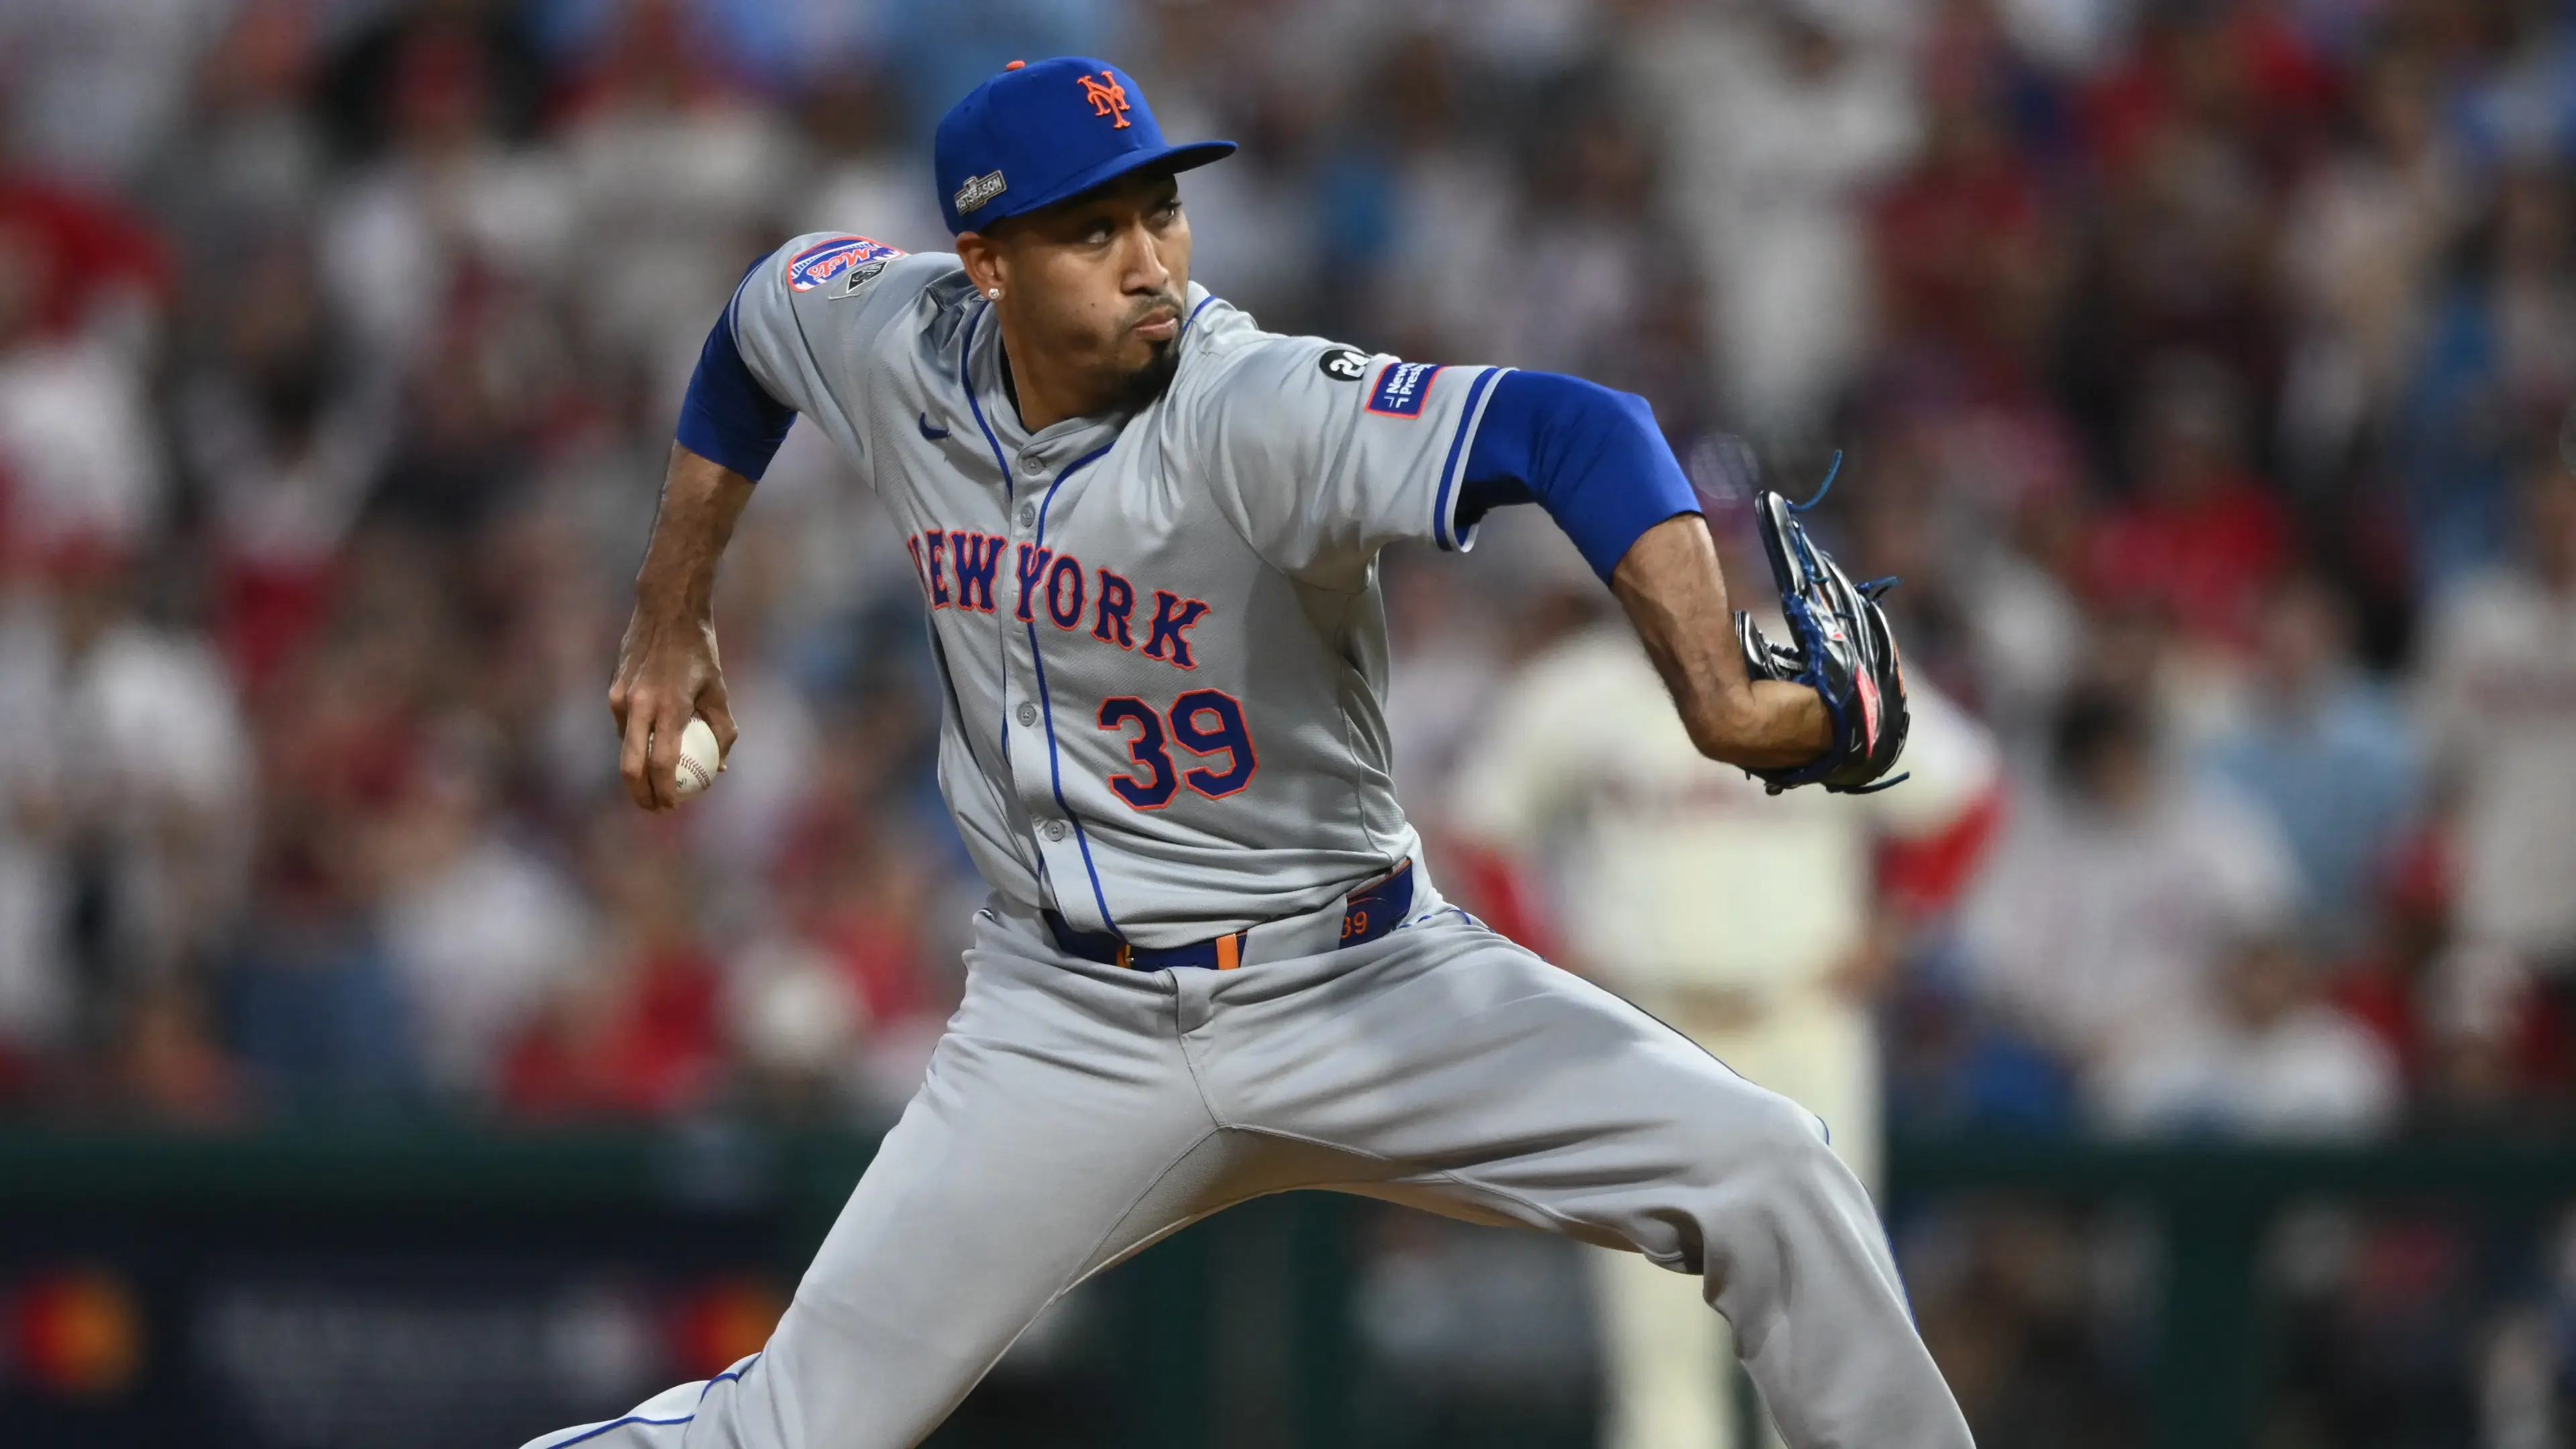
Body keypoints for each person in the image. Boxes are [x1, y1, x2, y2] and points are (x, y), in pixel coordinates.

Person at [528, 58, 1968, 1449]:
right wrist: (668, 612)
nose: (1151, 259)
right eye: (1093, 231)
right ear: (985, 265)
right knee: (789, 1427)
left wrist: (1715, 688)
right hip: (1066, 1026)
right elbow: (754, 328)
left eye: (1161, 208)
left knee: (1771, 1169)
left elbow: (1574, 426)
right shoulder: (889, 335)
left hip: (1362, 982)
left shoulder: (1253, 405)